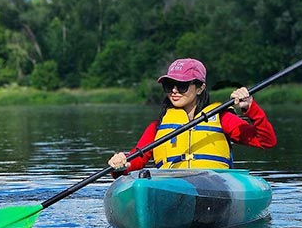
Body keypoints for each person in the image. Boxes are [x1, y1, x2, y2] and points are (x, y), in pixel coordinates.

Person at [108, 58, 276, 173]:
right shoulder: (158, 126)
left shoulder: (222, 118)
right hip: (174, 188)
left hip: (214, 187)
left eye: (181, 85)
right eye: (169, 85)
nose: (174, 91)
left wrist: (251, 108)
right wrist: (122, 163)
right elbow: (137, 159)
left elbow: (266, 141)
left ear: (200, 88)